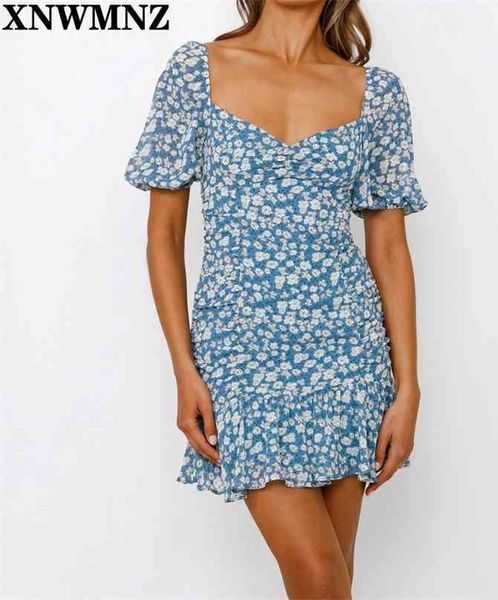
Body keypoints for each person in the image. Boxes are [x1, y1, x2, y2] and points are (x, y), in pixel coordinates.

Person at [124, 0, 427, 596]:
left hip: (348, 354)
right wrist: (184, 368)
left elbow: (390, 249)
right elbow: (164, 234)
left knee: (332, 579)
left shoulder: (378, 94)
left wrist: (409, 388)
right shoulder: (196, 72)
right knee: (318, 574)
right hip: (240, 353)